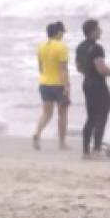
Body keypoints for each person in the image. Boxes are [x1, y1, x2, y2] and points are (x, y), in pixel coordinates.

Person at [76, 19, 110, 159]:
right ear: (92, 31)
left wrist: (91, 72)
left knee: (90, 117)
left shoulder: (80, 47)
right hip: (98, 84)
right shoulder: (97, 48)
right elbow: (101, 69)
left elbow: (79, 68)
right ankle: (96, 150)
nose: (101, 31)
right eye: (98, 28)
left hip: (87, 83)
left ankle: (86, 151)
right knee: (101, 116)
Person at [33, 21, 71, 151]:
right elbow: (64, 69)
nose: (63, 35)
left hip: (44, 83)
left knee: (47, 113)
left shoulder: (41, 47)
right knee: (62, 114)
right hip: (59, 84)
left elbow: (40, 68)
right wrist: (66, 86)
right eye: (62, 33)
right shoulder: (62, 47)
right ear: (58, 33)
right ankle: (62, 143)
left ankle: (37, 133)